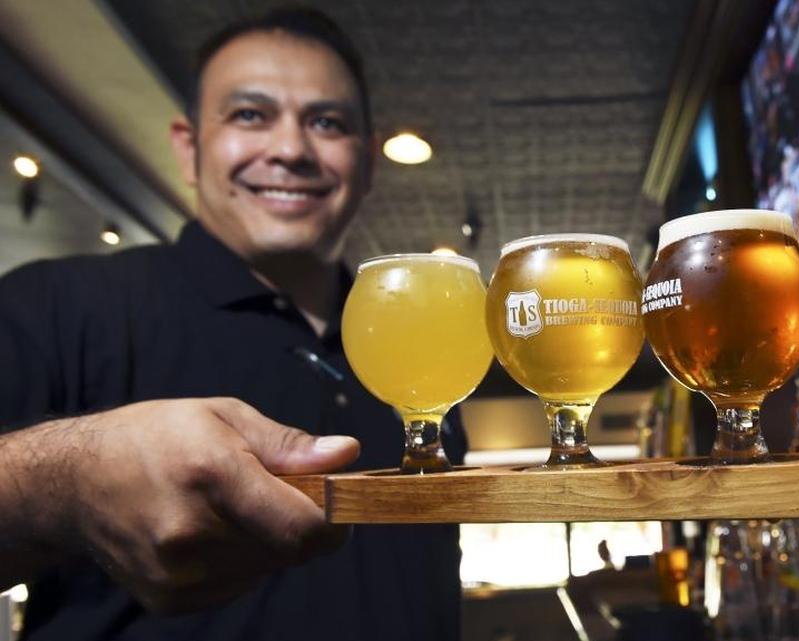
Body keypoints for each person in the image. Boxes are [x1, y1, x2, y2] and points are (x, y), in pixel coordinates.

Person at [0, 8, 465, 641]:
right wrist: (64, 483)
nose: (291, 149)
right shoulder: (58, 304)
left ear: (367, 160)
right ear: (189, 148)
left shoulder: (433, 346)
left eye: (326, 123)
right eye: (250, 115)